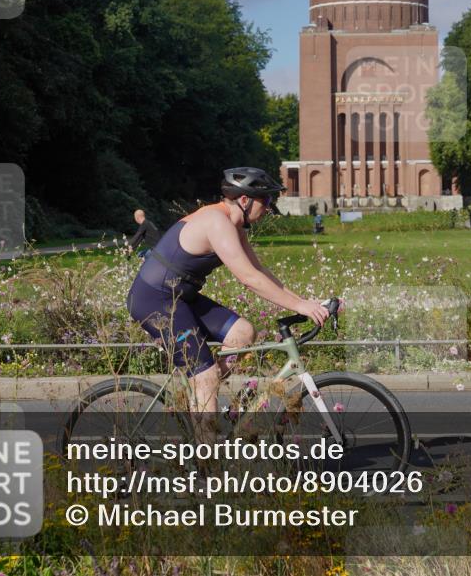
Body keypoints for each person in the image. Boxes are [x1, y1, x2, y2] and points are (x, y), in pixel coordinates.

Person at [126, 167, 329, 429]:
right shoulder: (216, 222)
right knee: (207, 374)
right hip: (154, 300)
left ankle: (198, 395)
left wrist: (305, 302)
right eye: (265, 201)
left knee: (243, 334)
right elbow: (248, 278)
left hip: (180, 297)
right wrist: (300, 306)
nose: (268, 208)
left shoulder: (234, 225)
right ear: (244, 200)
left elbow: (260, 272)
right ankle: (206, 464)